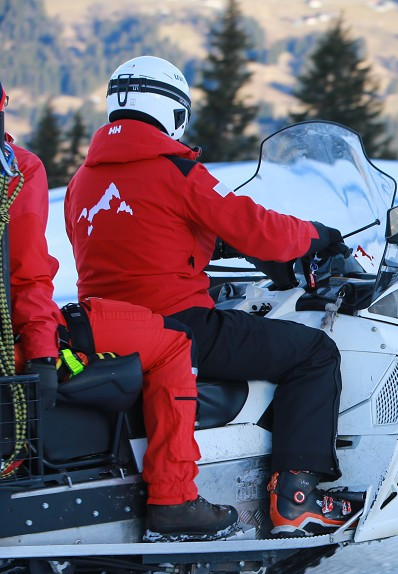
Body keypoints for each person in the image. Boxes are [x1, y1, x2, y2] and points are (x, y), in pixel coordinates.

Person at [64, 56, 359, 537]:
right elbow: (257, 227)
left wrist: (200, 242)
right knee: (313, 353)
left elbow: (127, 240)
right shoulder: (176, 171)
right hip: (179, 325)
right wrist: (317, 235)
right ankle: (297, 498)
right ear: (172, 112)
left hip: (105, 327)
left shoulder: (82, 180)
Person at [1, 78, 239, 541]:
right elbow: (27, 275)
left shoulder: (83, 179)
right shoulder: (16, 169)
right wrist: (43, 353)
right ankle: (174, 499)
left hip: (84, 310)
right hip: (22, 340)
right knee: (175, 345)